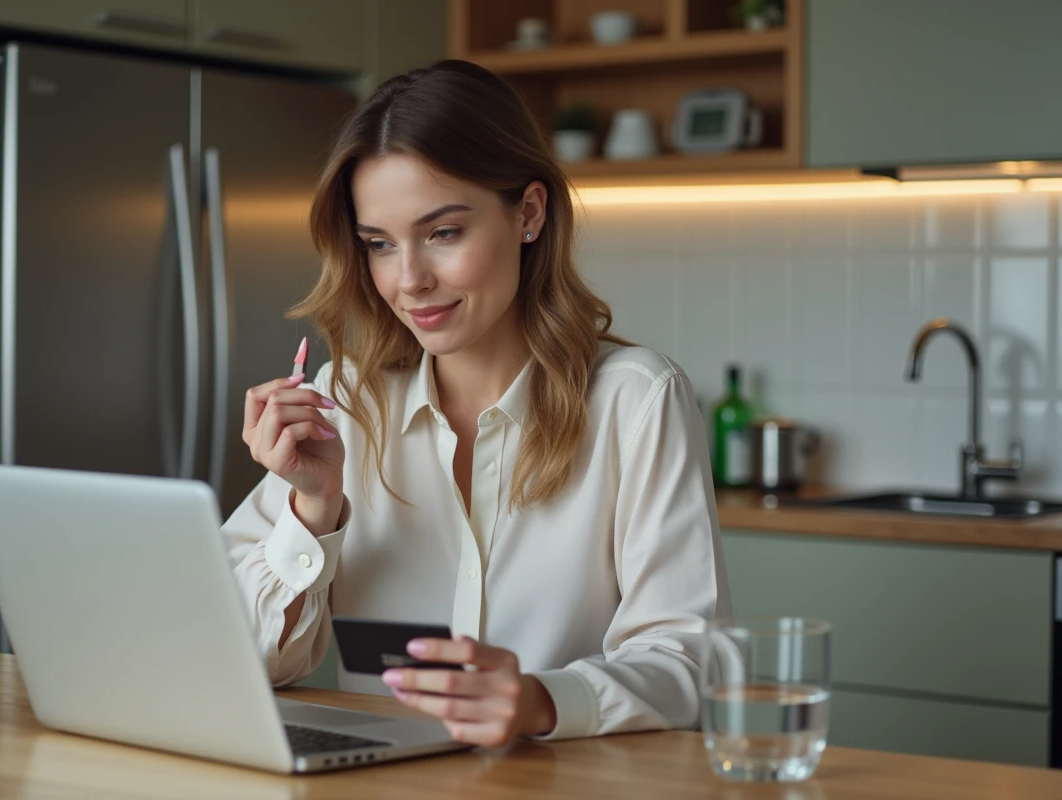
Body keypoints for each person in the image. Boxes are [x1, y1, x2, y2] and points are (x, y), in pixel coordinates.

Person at [221, 59, 729, 747]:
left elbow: (689, 663)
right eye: (379, 245)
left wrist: (540, 700)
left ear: (528, 213)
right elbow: (241, 659)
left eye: (443, 233)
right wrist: (313, 511)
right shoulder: (343, 400)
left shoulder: (636, 401)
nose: (409, 281)